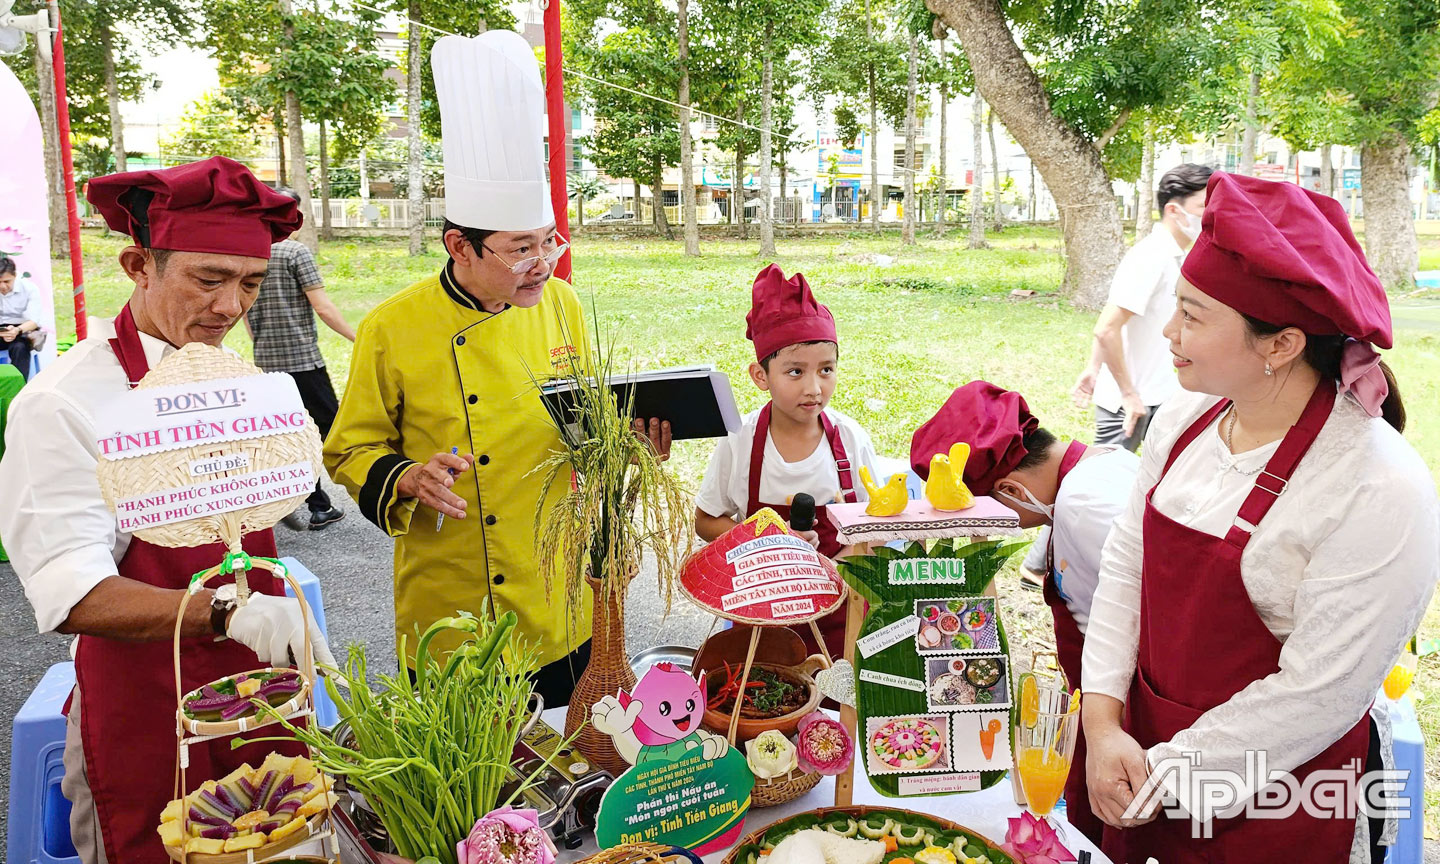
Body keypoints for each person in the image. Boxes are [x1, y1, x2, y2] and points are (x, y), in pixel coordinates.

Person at [1081, 172, 1438, 864]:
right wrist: (1101, 724)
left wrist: (1158, 775)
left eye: (1192, 315)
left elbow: (1320, 692)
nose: (1167, 330)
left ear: (1280, 346)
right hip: (1138, 762)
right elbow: (1128, 568)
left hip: (1285, 799)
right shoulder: (1183, 420)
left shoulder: (1378, 485)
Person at [0, 156, 337, 864]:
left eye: (249, 283)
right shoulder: (63, 402)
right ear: (138, 265)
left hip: (264, 699)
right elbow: (72, 591)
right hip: (145, 709)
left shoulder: (238, 386)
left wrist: (287, 616)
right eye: (207, 279)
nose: (229, 307)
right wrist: (227, 613)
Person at [324, 31, 668, 706]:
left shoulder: (563, 306)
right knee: (475, 790)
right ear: (460, 245)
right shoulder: (392, 327)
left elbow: (584, 424)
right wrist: (406, 476)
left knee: (567, 763)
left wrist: (628, 446)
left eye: (549, 242)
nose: (543, 263)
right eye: (519, 249)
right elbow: (349, 449)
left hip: (558, 593)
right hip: (453, 603)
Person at [909, 380, 1139, 846]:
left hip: (1127, 702)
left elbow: (1140, 623)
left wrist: (1105, 729)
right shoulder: (1098, 468)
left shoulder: (1085, 504)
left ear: (1010, 489)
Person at [694, 264, 879, 658]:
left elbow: (874, 528)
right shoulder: (739, 441)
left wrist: (831, 570)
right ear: (760, 375)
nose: (814, 388)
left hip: (838, 615)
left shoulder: (849, 440)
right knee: (766, 700)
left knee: (834, 704)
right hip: (760, 612)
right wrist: (766, 543)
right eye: (795, 372)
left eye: (826, 370)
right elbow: (706, 521)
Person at [1073, 163, 1213, 450]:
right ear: (1174, 210)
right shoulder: (1152, 256)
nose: (1210, 214)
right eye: (1203, 206)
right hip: (1128, 404)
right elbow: (1106, 329)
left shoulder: (1175, 255)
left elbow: (1116, 319)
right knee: (1108, 484)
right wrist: (1127, 394)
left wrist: (1093, 368)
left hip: (1158, 394)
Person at [244, 192, 353, 530]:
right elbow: (322, 306)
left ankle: (306, 501)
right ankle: (349, 498)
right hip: (303, 360)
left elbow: (245, 310)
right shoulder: (295, 252)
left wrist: (260, 342)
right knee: (331, 429)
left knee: (283, 433)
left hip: (266, 361)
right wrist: (357, 337)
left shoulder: (250, 254)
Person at [0, 254, 42, 377]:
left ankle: (18, 389)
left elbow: (34, 321)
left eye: (7, 281)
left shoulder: (29, 288)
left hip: (24, 329)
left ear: (15, 276)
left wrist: (17, 330)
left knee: (19, 347)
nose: (3, 286)